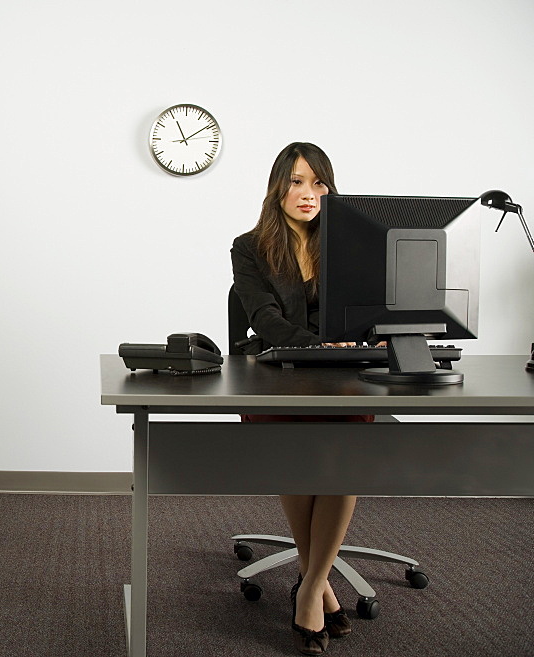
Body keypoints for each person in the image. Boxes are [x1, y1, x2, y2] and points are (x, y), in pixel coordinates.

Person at [231, 142, 369, 656]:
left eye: (318, 182)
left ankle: (311, 585)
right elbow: (265, 321)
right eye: (296, 181)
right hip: (278, 376)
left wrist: (371, 340)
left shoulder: (350, 245)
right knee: (297, 458)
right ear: (277, 188)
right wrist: (321, 347)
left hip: (343, 379)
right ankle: (321, 585)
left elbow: (369, 312)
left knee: (344, 460)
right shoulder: (249, 247)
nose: (307, 193)